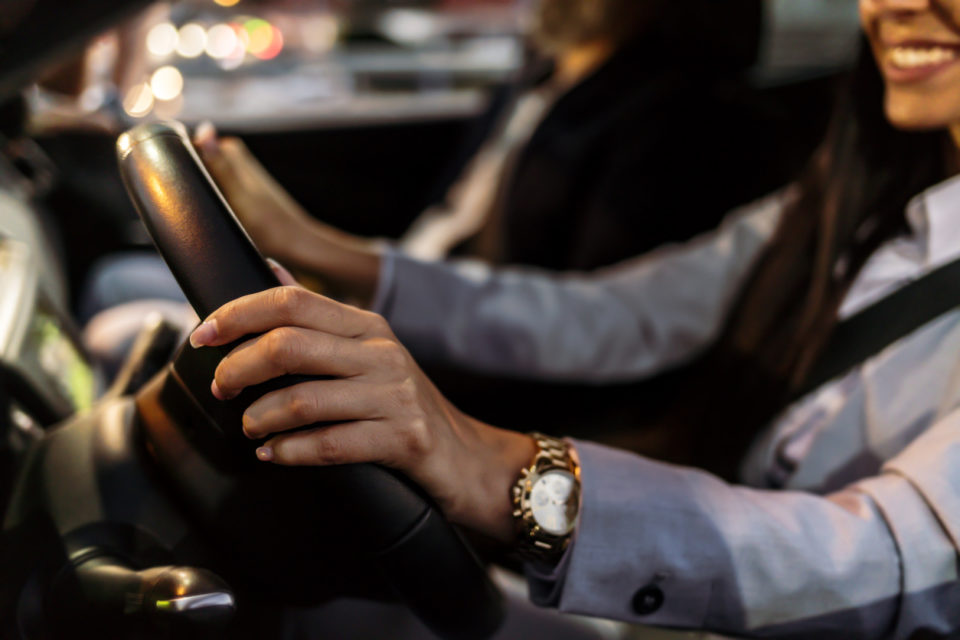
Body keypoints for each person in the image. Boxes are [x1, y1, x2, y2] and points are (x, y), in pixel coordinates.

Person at [188, 0, 960, 636]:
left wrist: (500, 471)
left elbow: (888, 556)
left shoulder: (682, 115)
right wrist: (328, 257)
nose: (892, 5)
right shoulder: (854, 197)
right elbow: (615, 314)